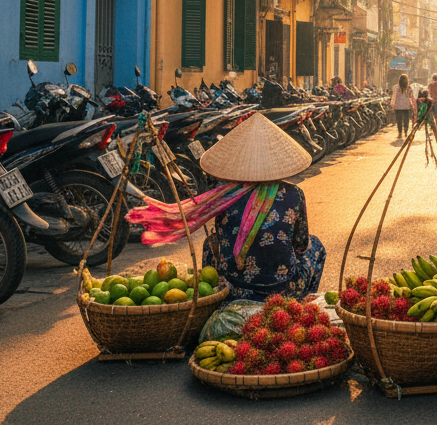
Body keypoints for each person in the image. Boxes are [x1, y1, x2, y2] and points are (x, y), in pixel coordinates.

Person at [128, 114, 325, 303]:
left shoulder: (223, 196)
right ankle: (297, 301)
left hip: (234, 286)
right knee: (316, 247)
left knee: (209, 244)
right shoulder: (294, 194)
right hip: (281, 287)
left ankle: (217, 295)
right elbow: (301, 244)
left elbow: (223, 237)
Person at [392, 74, 414, 138]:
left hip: (398, 106)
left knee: (399, 120)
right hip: (406, 106)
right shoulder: (409, 88)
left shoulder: (396, 87)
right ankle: (406, 132)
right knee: (406, 120)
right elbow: (411, 96)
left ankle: (400, 133)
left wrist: (392, 103)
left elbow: (394, 96)